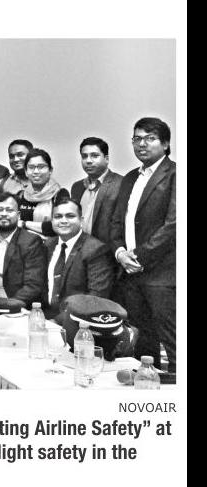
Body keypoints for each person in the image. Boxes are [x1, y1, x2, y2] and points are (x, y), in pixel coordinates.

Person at [109, 117, 176, 372]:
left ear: (165, 144)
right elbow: (116, 222)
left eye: (150, 138)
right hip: (129, 273)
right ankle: (148, 382)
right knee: (143, 342)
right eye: (137, 139)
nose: (142, 144)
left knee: (172, 339)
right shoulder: (129, 178)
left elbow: (174, 225)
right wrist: (120, 253)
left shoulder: (175, 174)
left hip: (162, 274)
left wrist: (137, 256)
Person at [43, 199, 115, 318]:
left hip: (76, 320)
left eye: (70, 216)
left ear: (81, 220)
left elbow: (95, 298)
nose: (63, 221)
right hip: (44, 315)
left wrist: (56, 321)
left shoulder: (96, 250)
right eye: (58, 216)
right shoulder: (48, 245)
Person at [70, 136, 123, 244]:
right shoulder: (77, 187)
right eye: (84, 156)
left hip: (108, 250)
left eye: (94, 156)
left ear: (106, 159)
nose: (88, 161)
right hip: (79, 249)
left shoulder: (121, 184)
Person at [12, 148, 69, 237]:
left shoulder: (60, 194)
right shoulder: (20, 195)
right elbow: (12, 223)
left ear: (50, 170)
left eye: (41, 167)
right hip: (21, 244)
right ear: (26, 172)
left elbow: (59, 225)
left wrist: (24, 224)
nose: (36, 171)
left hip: (49, 244)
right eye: (31, 167)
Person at [0, 139, 34, 221]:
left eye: (20, 155)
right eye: (11, 156)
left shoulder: (45, 183)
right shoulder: (2, 184)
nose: (15, 159)